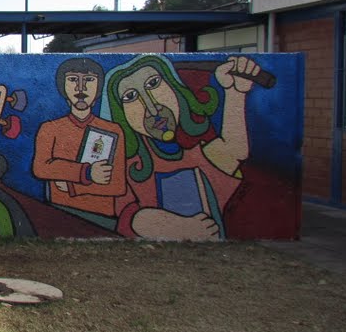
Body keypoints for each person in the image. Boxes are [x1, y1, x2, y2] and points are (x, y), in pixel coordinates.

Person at [100, 54, 262, 240]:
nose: (152, 108)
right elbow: (130, 216)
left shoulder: (195, 150)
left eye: (153, 84)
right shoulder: (133, 167)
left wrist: (236, 92)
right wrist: (178, 227)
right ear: (121, 114)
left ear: (175, 90)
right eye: (130, 97)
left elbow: (234, 152)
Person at [32, 57, 126, 228]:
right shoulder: (50, 128)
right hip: (59, 212)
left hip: (102, 218)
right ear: (63, 86)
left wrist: (74, 187)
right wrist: (87, 173)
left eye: (89, 80)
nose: (80, 87)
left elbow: (118, 185)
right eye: (73, 79)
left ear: (99, 87)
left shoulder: (112, 131)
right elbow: (41, 168)